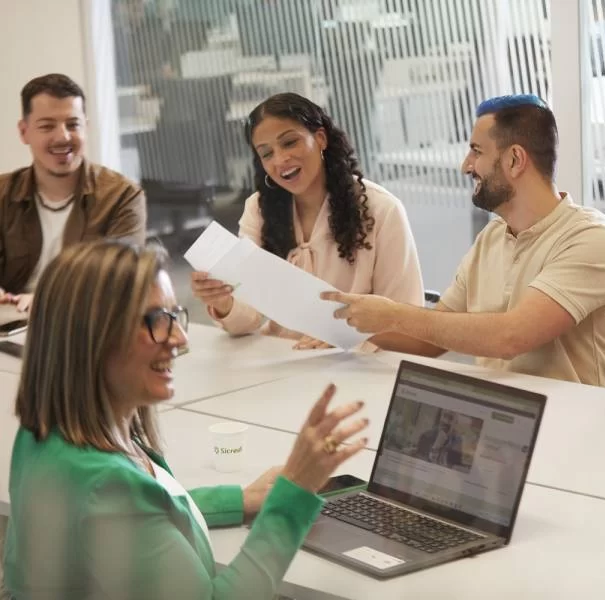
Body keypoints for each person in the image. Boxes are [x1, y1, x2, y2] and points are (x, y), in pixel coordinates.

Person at [1, 240, 368, 598]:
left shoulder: (50, 431)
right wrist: (295, 493)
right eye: (158, 321)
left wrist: (241, 500)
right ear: (93, 335)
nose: (179, 338)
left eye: (175, 317)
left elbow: (147, 516)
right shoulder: (108, 486)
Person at [324, 94, 605, 389]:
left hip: (576, 420)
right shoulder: (492, 237)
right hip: (501, 414)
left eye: (476, 151)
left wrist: (394, 315)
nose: (466, 166)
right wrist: (348, 327)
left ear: (515, 159)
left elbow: (511, 337)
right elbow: (429, 339)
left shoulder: (593, 240)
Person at [190, 93, 423, 349]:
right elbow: (248, 321)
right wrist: (223, 302)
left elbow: (405, 323)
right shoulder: (258, 209)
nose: (280, 160)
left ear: (321, 138)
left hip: (359, 360)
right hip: (283, 356)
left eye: (290, 143)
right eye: (266, 154)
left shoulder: (382, 210)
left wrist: (346, 337)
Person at [0, 74, 146, 313]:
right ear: (24, 132)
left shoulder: (123, 197)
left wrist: (47, 300)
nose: (63, 137)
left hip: (88, 323)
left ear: (86, 127)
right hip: (11, 322)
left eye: (72, 124)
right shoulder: (3, 194)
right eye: (47, 126)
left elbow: (121, 280)